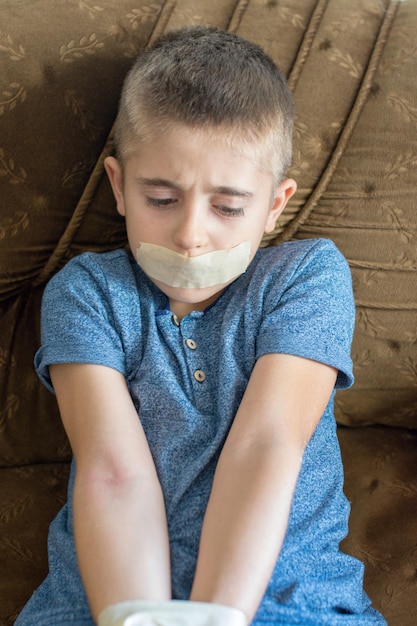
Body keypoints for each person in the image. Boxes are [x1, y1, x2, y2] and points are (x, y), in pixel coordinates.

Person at [16, 26, 386, 626]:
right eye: (160, 199)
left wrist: (218, 617)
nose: (190, 234)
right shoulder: (86, 293)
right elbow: (113, 472)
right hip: (101, 606)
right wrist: (135, 617)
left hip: (291, 603)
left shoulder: (306, 277)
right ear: (118, 185)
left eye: (228, 208)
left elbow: (266, 445)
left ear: (273, 206)